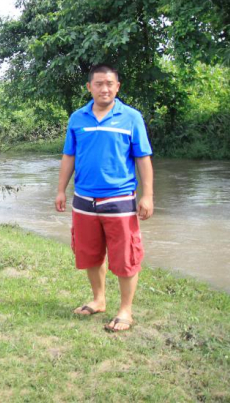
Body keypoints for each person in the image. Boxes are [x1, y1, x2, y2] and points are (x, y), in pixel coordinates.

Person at [55, 63, 154, 332]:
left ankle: (125, 310)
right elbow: (69, 156)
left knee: (125, 256)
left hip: (120, 199)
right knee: (91, 254)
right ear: (89, 87)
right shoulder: (77, 118)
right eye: (98, 84)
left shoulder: (131, 117)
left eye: (109, 83)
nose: (104, 88)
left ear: (117, 87)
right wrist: (61, 189)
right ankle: (98, 300)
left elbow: (143, 158)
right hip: (84, 200)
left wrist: (148, 196)